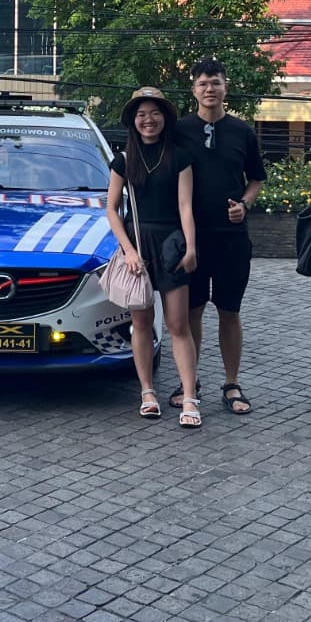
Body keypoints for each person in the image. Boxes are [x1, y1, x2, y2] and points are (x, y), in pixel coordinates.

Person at [172, 58, 266, 416]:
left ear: (226, 87)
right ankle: (190, 382)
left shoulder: (242, 131)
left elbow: (256, 178)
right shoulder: (179, 130)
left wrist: (245, 203)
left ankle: (231, 381)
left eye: (215, 83)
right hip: (191, 239)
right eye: (202, 84)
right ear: (193, 90)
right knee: (192, 310)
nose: (209, 89)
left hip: (232, 238)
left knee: (229, 310)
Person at [106, 88, 202, 427]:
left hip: (172, 243)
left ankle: (190, 396)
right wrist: (128, 251)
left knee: (178, 324)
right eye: (142, 113)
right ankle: (147, 391)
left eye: (155, 112)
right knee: (142, 322)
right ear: (134, 120)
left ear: (165, 117)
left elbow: (186, 206)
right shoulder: (122, 159)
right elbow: (112, 211)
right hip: (139, 246)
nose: (149, 119)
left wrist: (190, 248)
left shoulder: (180, 155)